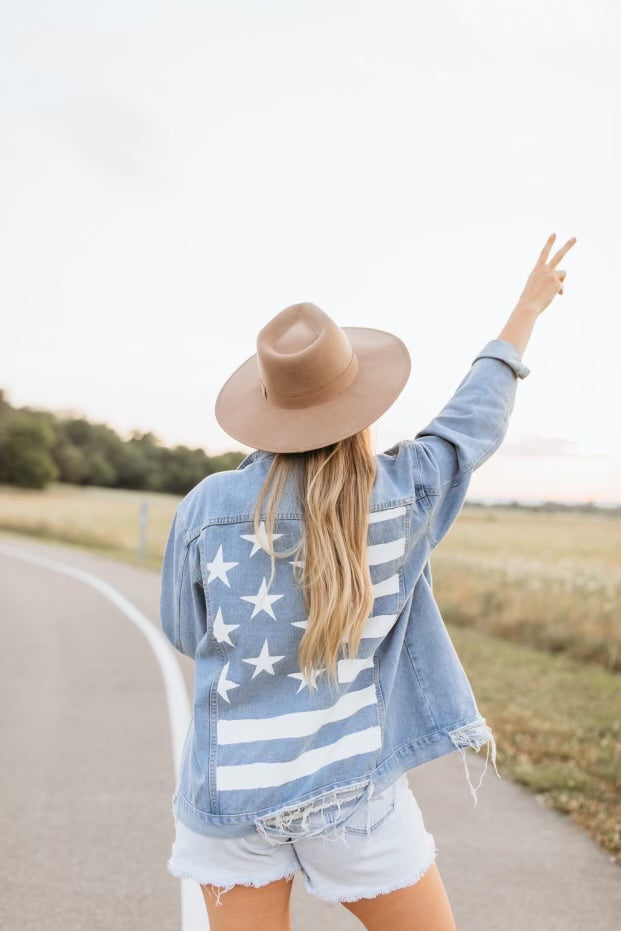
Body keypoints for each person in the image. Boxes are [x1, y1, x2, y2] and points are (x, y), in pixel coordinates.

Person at [160, 232, 577, 931]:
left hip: (229, 792)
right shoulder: (405, 493)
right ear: (359, 402)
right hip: (352, 794)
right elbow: (471, 422)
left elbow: (183, 629)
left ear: (265, 406)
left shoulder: (206, 508)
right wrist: (523, 314)